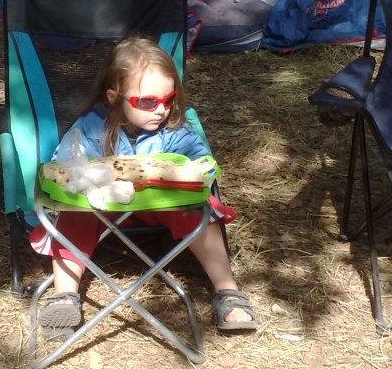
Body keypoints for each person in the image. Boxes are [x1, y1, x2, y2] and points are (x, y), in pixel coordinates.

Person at [30, 36, 258, 339]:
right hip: (104, 210)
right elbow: (64, 167)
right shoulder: (91, 127)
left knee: (197, 210)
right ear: (114, 97)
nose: (161, 110)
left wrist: (193, 172)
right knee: (72, 214)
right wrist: (92, 176)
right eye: (148, 102)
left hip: (160, 208)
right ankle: (64, 296)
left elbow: (204, 165)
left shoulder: (175, 130)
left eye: (169, 99)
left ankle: (227, 290)